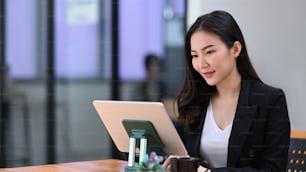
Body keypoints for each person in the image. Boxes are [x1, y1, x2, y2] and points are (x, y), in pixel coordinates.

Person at [162, 10, 290, 172]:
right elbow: (182, 154)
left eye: (209, 52)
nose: (201, 64)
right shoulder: (195, 101)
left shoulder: (271, 100)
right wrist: (178, 161)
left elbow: (274, 169)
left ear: (235, 49)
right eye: (195, 55)